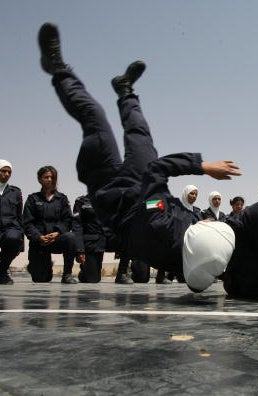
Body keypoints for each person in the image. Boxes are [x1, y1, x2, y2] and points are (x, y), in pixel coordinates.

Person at [37, 23, 241, 281]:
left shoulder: (163, 225)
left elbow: (156, 171)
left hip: (113, 191)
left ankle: (58, 70)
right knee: (140, 135)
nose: (213, 222)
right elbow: (204, 276)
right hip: (141, 194)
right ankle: (124, 89)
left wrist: (202, 166)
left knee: (95, 120)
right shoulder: (191, 257)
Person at [23, 166, 78, 283]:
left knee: (71, 237)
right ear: (39, 179)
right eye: (46, 177)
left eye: (52, 177)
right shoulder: (33, 199)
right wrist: (38, 237)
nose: (49, 179)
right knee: (41, 279)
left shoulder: (62, 199)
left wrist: (57, 233)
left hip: (56, 239)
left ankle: (67, 274)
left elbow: (68, 220)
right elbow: (27, 223)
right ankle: (37, 266)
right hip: (39, 242)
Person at [72, 194, 133, 283]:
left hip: (110, 238)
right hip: (93, 242)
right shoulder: (81, 201)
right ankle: (85, 270)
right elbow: (77, 226)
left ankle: (122, 273)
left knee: (129, 232)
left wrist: (121, 246)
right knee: (92, 279)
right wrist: (79, 250)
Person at [0, 159, 24, 285]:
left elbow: (20, 217)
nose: (7, 174)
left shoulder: (16, 192)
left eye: (9, 172)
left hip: (10, 229)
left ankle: (2, 271)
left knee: (14, 238)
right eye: (3, 171)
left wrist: (22, 243)